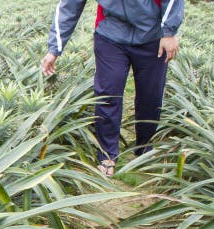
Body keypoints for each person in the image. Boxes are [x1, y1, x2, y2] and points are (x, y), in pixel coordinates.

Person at [41, 0, 184, 176]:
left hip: (152, 36)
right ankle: (107, 153)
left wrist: (169, 32)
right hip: (110, 34)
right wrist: (54, 49)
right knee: (107, 94)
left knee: (151, 96)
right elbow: (69, 6)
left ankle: (144, 149)